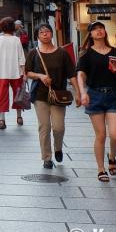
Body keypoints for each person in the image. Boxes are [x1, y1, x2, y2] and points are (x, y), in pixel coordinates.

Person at [25, 24, 81, 169]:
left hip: (58, 95)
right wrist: (40, 76)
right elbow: (27, 73)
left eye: (47, 31)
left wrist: (78, 93)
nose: (44, 34)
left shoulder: (62, 53)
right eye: (41, 32)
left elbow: (72, 74)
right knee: (44, 127)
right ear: (37, 36)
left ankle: (58, 148)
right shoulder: (33, 53)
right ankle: (47, 157)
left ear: (52, 34)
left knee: (58, 127)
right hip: (40, 95)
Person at [76, 21, 116, 183]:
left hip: (113, 95)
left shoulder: (115, 52)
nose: (99, 31)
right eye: (95, 29)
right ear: (90, 34)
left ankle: (112, 156)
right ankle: (101, 169)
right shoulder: (86, 54)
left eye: (101, 28)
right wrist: (83, 92)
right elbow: (81, 75)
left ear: (105, 32)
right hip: (95, 95)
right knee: (101, 135)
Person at [0, 16, 27, 130]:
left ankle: (2, 119)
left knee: (1, 95)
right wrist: (24, 73)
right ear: (13, 27)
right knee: (18, 94)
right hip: (15, 71)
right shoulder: (16, 40)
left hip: (0, 71)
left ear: (2, 27)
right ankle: (19, 117)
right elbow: (21, 58)